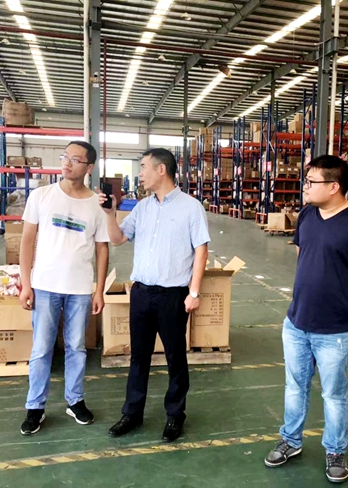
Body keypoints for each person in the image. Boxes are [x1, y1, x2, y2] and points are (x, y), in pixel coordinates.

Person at [264, 155, 348, 483]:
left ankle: (335, 450)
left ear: (334, 187)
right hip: (297, 322)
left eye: (311, 182)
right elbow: (303, 253)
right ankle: (291, 440)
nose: (305, 187)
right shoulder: (307, 214)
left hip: (335, 330)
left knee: (333, 393)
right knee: (295, 386)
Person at [100, 148, 210, 442]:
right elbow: (118, 239)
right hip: (141, 294)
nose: (140, 174)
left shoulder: (191, 208)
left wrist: (194, 292)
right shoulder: (143, 208)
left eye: (144, 167)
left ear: (162, 170)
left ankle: (175, 415)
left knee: (175, 357)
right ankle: (132, 413)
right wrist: (109, 213)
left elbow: (201, 251)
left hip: (173, 295)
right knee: (139, 356)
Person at [19, 140, 109, 436]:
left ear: (89, 167)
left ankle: (75, 400)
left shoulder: (96, 205)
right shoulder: (42, 196)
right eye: (65, 157)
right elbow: (27, 241)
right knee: (41, 349)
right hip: (44, 286)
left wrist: (99, 290)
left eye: (75, 159)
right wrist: (26, 283)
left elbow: (103, 249)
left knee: (77, 348)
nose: (67, 163)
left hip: (80, 289)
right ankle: (35, 407)